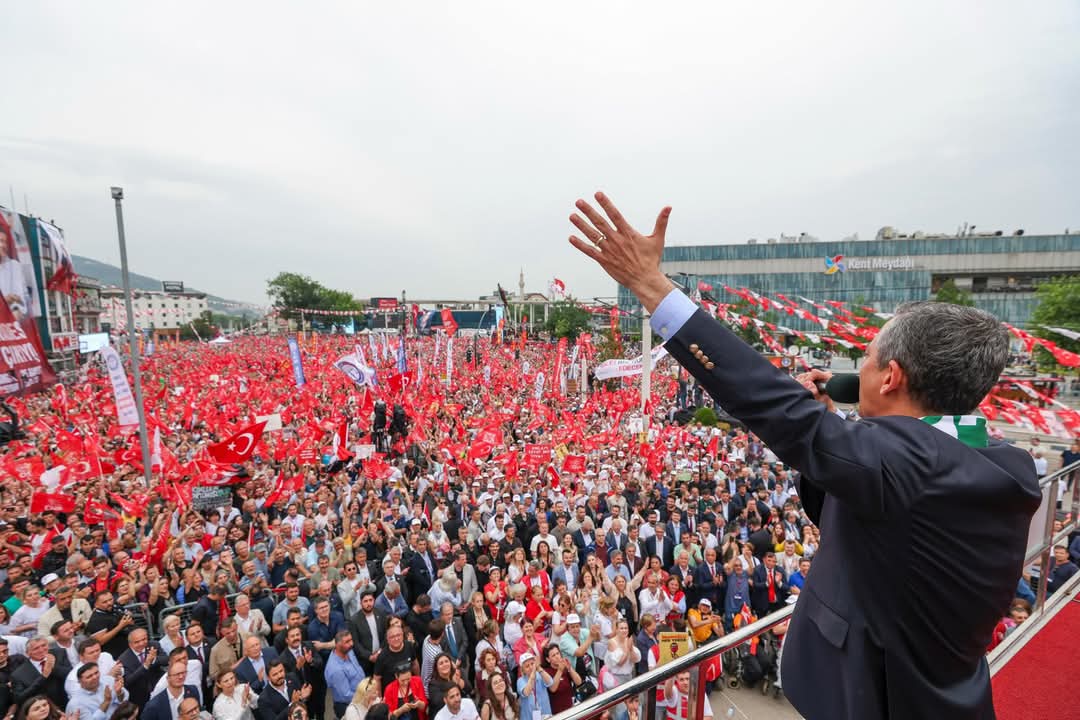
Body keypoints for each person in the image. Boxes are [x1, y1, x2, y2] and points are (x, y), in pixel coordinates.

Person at [566, 191, 1042, 719]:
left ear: (891, 376)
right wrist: (838, 425)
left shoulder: (904, 462)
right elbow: (875, 509)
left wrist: (654, 288)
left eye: (866, 356)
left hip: (872, 702)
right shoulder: (1001, 461)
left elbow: (774, 405)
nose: (857, 366)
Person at [326, 630, 366, 719]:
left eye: (351, 640)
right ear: (337, 645)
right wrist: (365, 696)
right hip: (348, 706)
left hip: (361, 698)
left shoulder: (348, 651)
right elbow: (346, 695)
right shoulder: (335, 669)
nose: (351, 644)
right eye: (347, 642)